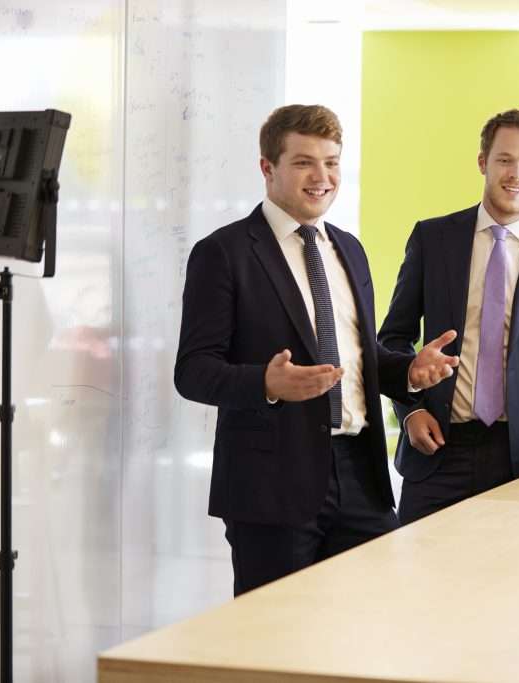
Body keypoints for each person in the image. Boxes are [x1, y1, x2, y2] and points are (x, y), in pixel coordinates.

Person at [174, 104, 458, 596]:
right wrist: (265, 382)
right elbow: (193, 371)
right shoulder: (224, 253)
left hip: (360, 478)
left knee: (366, 633)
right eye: (305, 162)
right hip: (270, 486)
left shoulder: (349, 248)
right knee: (275, 646)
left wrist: (409, 371)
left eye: (332, 162)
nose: (322, 176)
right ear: (268, 168)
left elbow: (357, 358)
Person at [378, 109, 519, 525]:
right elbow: (392, 341)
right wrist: (409, 410)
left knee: (512, 586)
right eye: (505, 159)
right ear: (483, 162)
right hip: (437, 450)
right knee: (417, 583)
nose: (516, 173)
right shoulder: (433, 239)